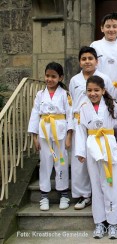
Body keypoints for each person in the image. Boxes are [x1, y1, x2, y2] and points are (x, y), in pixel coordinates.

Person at [75, 75, 117, 239]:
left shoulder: (113, 106)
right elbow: (80, 131)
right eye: (89, 90)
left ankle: (113, 223)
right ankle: (100, 222)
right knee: (96, 184)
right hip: (92, 147)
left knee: (112, 183)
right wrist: (80, 152)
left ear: (103, 90)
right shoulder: (83, 107)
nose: (93, 93)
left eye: (96, 90)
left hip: (109, 145)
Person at [69, 46, 114, 210]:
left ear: (97, 61)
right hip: (80, 123)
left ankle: (102, 192)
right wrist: (70, 130)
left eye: (90, 58)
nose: (87, 61)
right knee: (80, 159)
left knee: (101, 160)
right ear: (80, 62)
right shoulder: (74, 80)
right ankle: (83, 194)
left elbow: (110, 100)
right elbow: (72, 104)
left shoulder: (105, 78)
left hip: (101, 125)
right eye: (84, 59)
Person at [28, 62, 73, 211]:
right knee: (46, 163)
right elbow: (35, 115)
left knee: (61, 162)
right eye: (47, 76)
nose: (50, 79)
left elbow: (70, 115)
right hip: (44, 132)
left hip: (60, 131)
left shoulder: (65, 94)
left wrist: (69, 136)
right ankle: (44, 196)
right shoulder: (40, 94)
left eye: (53, 76)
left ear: (60, 78)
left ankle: (64, 194)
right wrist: (34, 137)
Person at [90, 13, 117, 99]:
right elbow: (91, 68)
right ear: (102, 28)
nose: (111, 29)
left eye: (114, 26)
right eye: (108, 26)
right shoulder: (95, 45)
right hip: (100, 89)